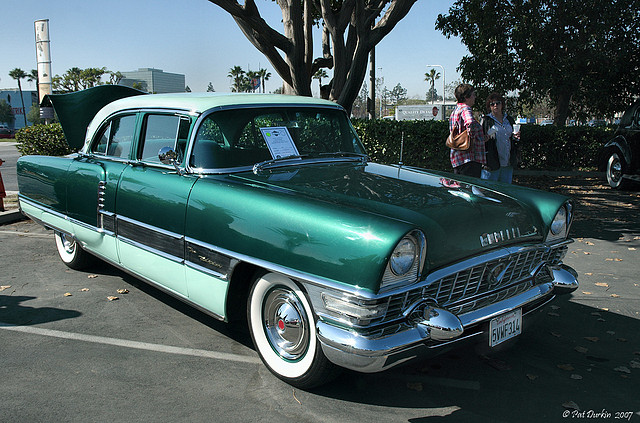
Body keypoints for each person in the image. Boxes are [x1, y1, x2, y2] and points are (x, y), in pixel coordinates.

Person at [480, 93, 520, 183]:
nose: (495, 106)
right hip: (492, 161)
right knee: (489, 189)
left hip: (507, 161)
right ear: (489, 106)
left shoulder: (509, 119)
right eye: (492, 104)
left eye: (498, 103)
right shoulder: (486, 120)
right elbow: (479, 139)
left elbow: (511, 137)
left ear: (502, 104)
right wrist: (484, 139)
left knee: (505, 190)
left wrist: (515, 137)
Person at [449, 84, 486, 177]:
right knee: (469, 188)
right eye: (473, 95)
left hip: (458, 157)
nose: (475, 97)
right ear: (466, 97)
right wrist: (474, 138)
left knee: (460, 187)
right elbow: (470, 123)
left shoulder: (455, 110)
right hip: (469, 158)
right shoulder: (466, 109)